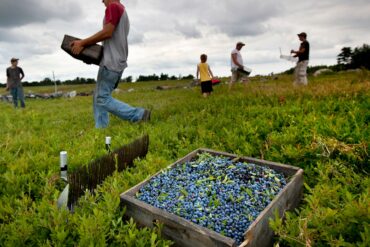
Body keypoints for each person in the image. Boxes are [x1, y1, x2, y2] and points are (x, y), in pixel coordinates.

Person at [71, 0, 150, 128]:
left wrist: (82, 43)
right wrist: (90, 56)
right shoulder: (122, 10)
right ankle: (101, 128)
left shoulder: (113, 7)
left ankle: (138, 115)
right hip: (116, 60)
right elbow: (112, 41)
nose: (101, 1)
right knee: (99, 96)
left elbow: (107, 32)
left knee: (102, 98)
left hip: (111, 62)